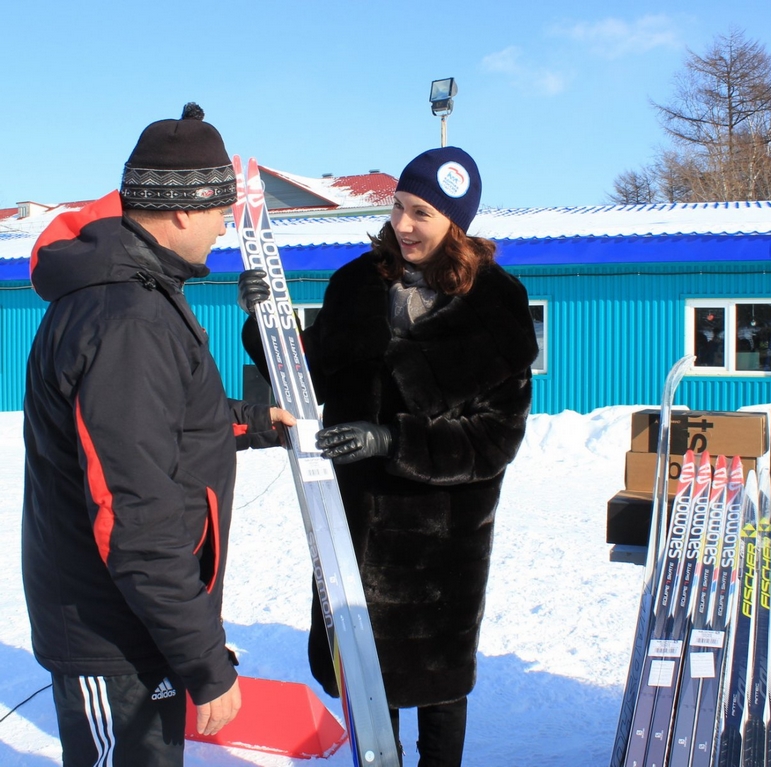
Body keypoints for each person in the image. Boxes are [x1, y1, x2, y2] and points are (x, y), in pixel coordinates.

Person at [240, 147, 538, 765]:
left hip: (440, 542)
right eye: (398, 206)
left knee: (436, 687)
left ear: (456, 223)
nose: (402, 224)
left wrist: (391, 440)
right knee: (364, 686)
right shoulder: (355, 287)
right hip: (350, 529)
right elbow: (305, 379)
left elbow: (494, 440)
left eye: (421, 213)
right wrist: (264, 320)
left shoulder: (497, 308)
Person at [21, 103, 296, 767]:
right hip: (109, 632)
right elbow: (133, 515)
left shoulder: (141, 293)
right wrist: (204, 659)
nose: (226, 224)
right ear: (180, 209)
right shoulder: (127, 320)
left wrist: (259, 421)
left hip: (137, 622)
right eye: (219, 209)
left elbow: (168, 417)